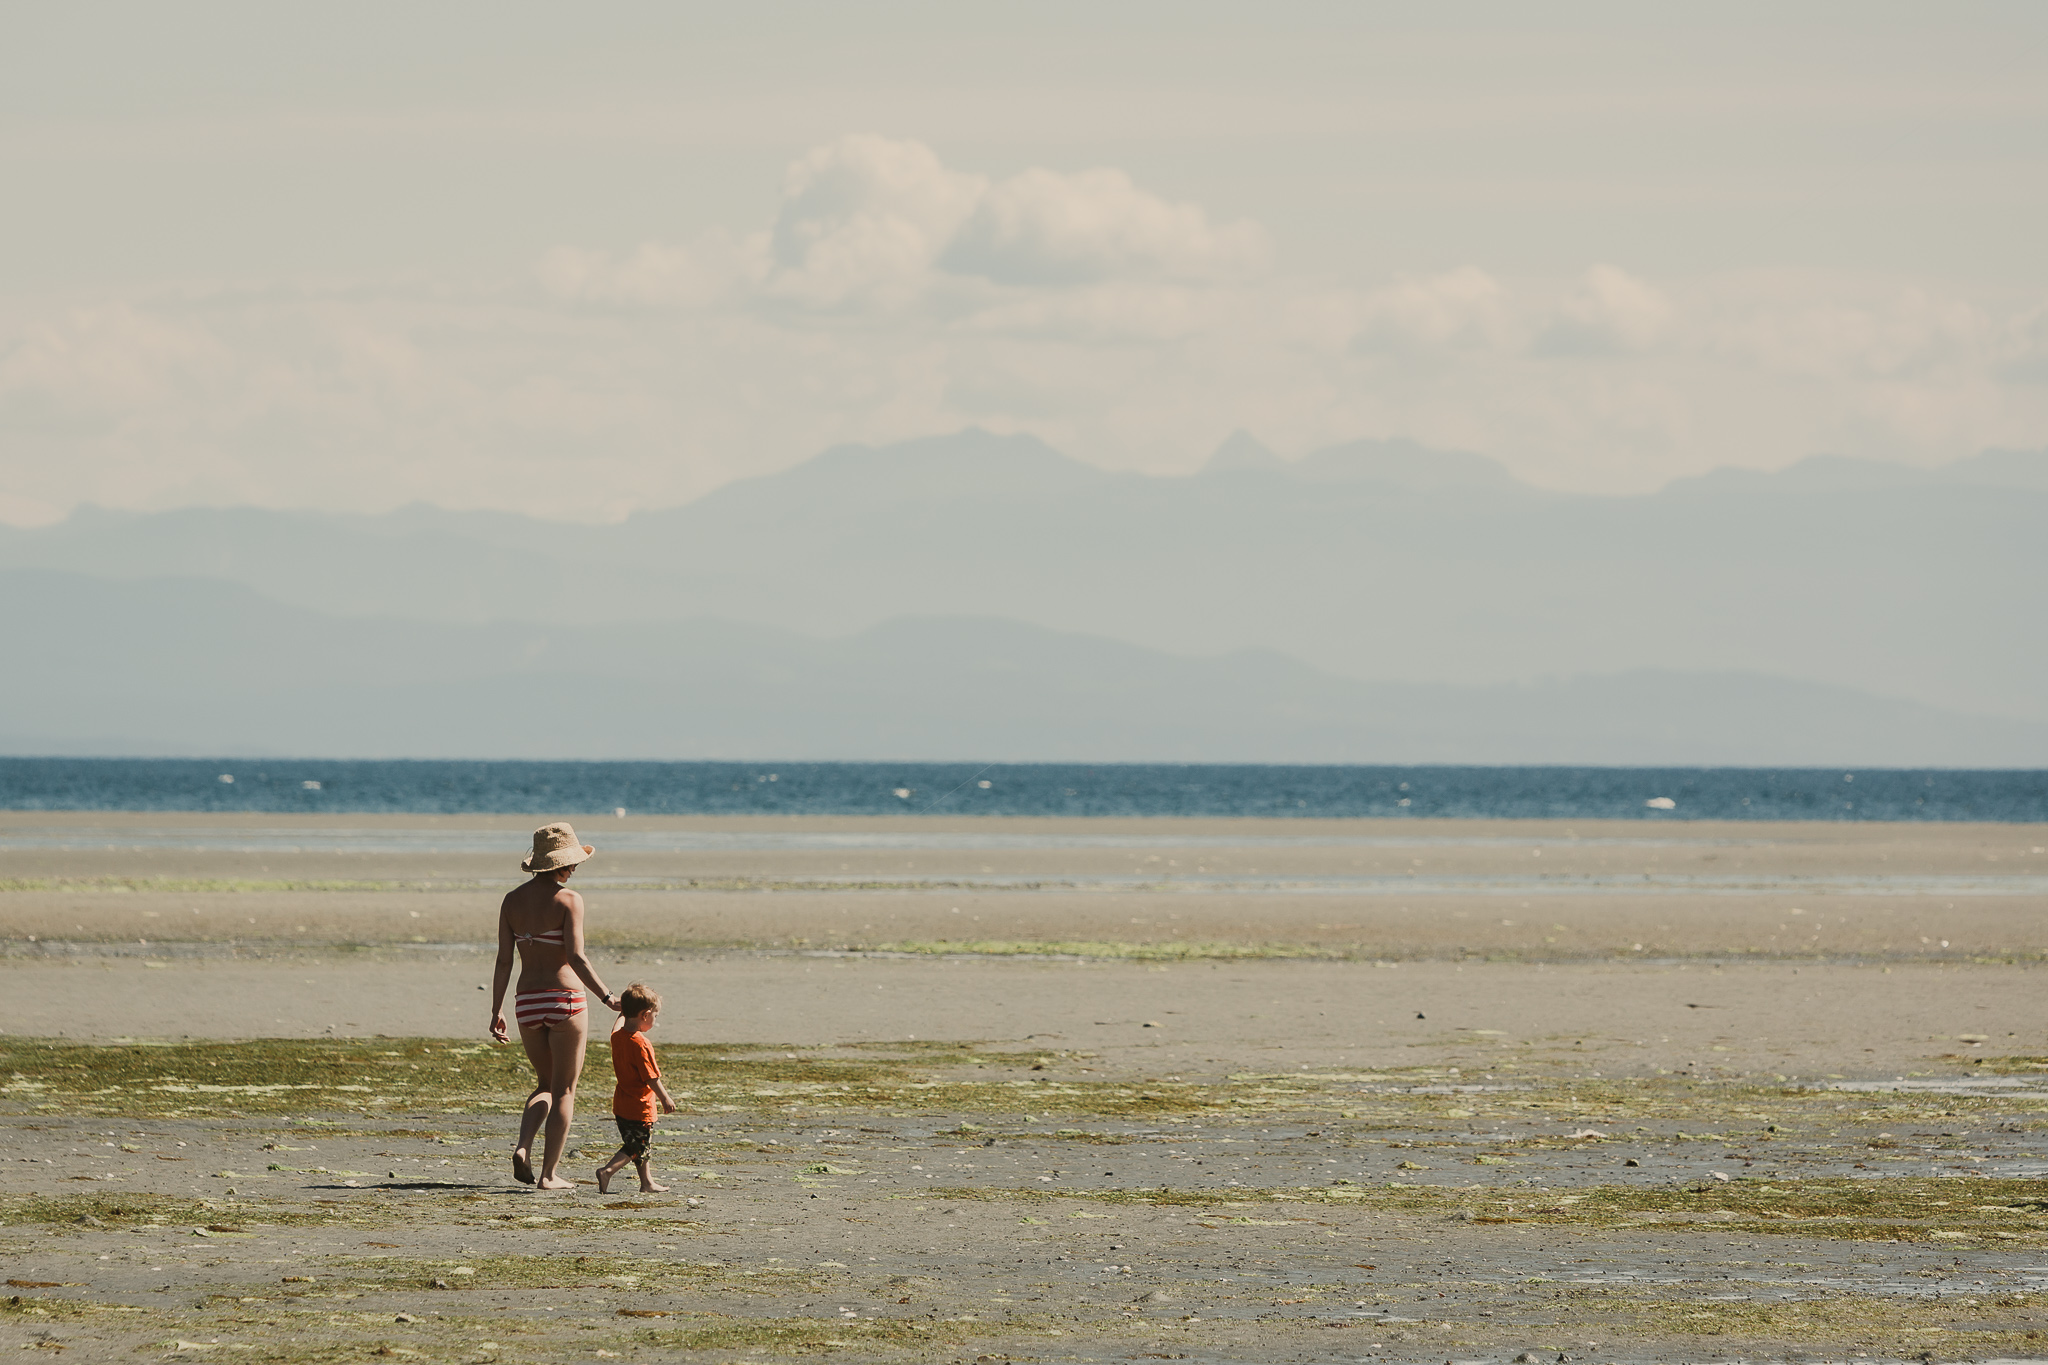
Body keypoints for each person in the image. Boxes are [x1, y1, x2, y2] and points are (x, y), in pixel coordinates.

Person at [489, 822, 622, 1189]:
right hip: (565, 1000)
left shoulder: (511, 901)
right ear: (560, 865)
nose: (575, 869)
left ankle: (522, 1147)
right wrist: (608, 997)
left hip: (526, 1001)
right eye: (572, 863)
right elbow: (577, 958)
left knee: (543, 1082)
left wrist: (496, 1009)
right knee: (565, 1088)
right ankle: (548, 1175)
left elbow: (504, 960)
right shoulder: (569, 900)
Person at [596, 982, 678, 1194]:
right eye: (655, 1016)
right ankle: (607, 1171)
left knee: (639, 1145)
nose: (655, 1020)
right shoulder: (640, 1044)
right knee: (637, 1146)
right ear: (645, 1015)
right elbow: (651, 1078)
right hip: (639, 1106)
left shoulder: (617, 1037)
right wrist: (665, 1099)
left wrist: (622, 1011)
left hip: (621, 1104)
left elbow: (616, 1026)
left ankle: (647, 1182)